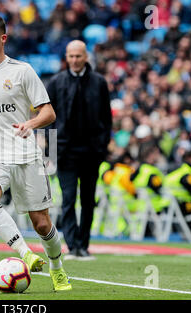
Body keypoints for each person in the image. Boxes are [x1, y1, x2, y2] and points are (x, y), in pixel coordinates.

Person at [0, 15, 72, 291]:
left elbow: (48, 112)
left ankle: (56, 268)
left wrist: (30, 123)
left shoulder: (22, 71)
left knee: (42, 223)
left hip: (25, 154)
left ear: (2, 38)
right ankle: (25, 253)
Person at [46, 40, 112, 260]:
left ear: (86, 57)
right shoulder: (55, 83)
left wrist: (101, 148)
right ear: (66, 57)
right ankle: (72, 245)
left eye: (78, 56)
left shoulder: (99, 83)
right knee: (68, 198)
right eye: (71, 56)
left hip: (92, 152)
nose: (74, 60)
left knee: (87, 200)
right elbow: (47, 118)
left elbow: (106, 118)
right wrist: (51, 150)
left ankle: (83, 245)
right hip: (65, 152)